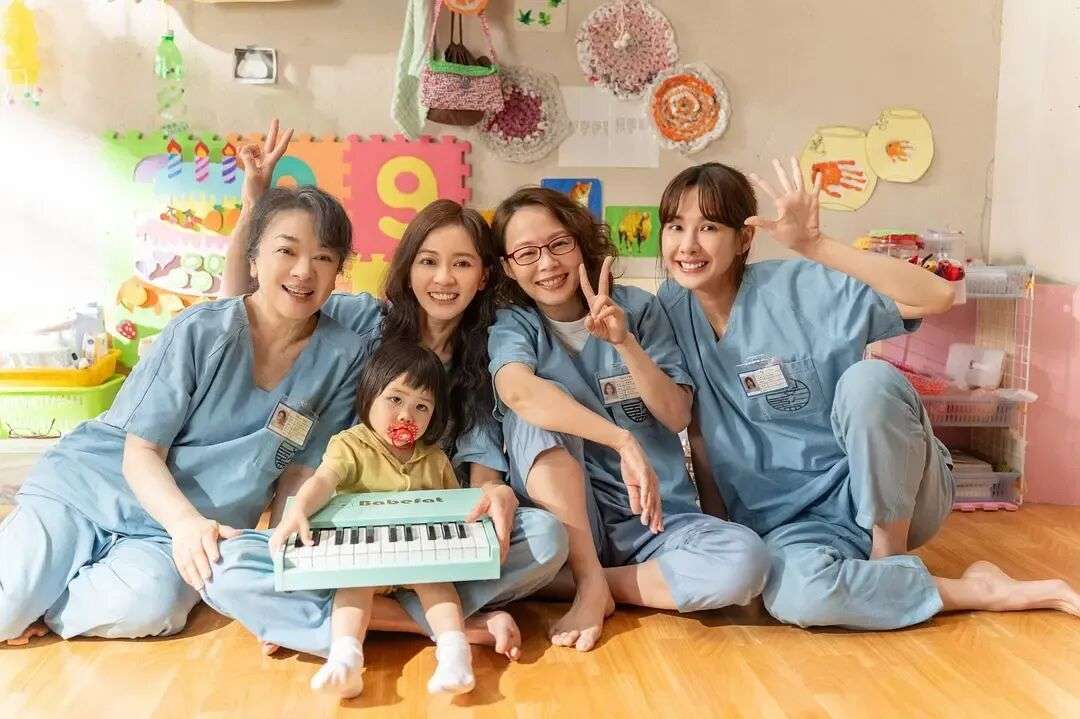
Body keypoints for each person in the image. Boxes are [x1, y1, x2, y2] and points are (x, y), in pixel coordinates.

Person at [657, 159, 1080, 629]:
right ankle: (976, 589)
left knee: (868, 381)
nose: (688, 245)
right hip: (792, 523)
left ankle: (888, 557)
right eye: (675, 226)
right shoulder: (669, 311)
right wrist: (725, 531)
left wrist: (814, 245)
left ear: (744, 238)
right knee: (798, 599)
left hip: (887, 488)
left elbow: (938, 296)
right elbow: (701, 429)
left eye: (709, 227)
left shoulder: (801, 288)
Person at [202, 121, 568, 660]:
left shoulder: (486, 354)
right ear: (408, 267)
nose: (444, 279)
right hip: (345, 520)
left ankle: (324, 619)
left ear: (485, 276)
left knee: (546, 537)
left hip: (430, 530)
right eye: (429, 261)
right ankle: (440, 624)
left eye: (462, 263)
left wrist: (494, 493)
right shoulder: (364, 321)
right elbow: (246, 304)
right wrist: (255, 205)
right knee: (224, 567)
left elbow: (482, 460)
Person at [1, 185, 363, 645]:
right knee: (4, 610)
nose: (303, 271)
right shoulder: (200, 331)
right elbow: (141, 451)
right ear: (254, 259)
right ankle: (24, 596)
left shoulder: (343, 356)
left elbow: (300, 472)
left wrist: (277, 569)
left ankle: (44, 605)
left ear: (338, 272)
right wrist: (185, 525)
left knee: (152, 607)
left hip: (180, 531)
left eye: (323, 258)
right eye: (286, 251)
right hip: (91, 488)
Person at [487, 187, 769, 652]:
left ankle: (591, 584)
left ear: (580, 242)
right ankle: (588, 576)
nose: (547, 263)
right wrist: (622, 440)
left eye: (559, 244)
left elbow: (676, 415)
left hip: (655, 521)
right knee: (533, 409)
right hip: (570, 527)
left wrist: (624, 342)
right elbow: (516, 389)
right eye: (526, 253)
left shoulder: (639, 308)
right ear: (507, 267)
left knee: (746, 562)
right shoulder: (514, 325)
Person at [271, 341, 481, 698]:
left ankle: (454, 656)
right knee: (353, 584)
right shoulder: (350, 445)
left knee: (437, 582)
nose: (406, 415)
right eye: (395, 399)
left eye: (421, 406)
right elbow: (324, 479)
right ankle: (346, 660)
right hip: (365, 556)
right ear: (369, 395)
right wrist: (300, 507)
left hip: (419, 556)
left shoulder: (435, 459)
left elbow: (455, 509)